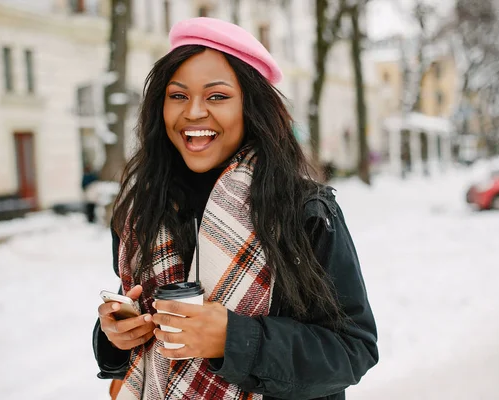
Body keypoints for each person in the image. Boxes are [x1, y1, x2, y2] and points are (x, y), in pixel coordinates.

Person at [93, 17, 378, 400]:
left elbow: (352, 349)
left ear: (252, 107)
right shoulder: (143, 213)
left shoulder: (303, 211)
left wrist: (235, 339)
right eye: (178, 96)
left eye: (217, 96)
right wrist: (115, 338)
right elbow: (131, 320)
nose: (193, 112)